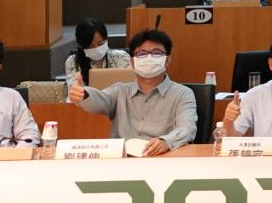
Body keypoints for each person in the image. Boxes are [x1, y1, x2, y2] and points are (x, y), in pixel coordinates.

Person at [68, 28, 197, 154]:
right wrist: (84, 94)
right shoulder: (120, 91)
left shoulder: (183, 94)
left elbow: (187, 128)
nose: (149, 58)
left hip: (160, 158)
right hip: (122, 162)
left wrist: (165, 141)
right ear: (132, 62)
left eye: (157, 53)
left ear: (167, 61)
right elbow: (100, 100)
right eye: (141, 54)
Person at [63, 16, 131, 81]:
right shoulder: (73, 62)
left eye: (101, 43)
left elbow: (131, 86)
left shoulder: (121, 57)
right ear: (81, 45)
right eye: (91, 46)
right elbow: (72, 89)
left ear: (106, 39)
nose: (97, 48)